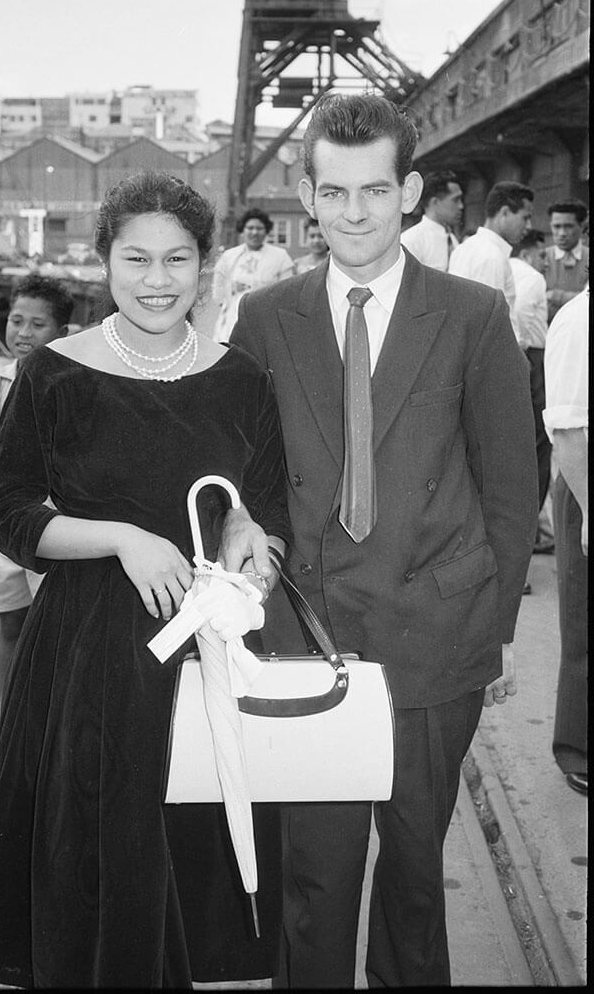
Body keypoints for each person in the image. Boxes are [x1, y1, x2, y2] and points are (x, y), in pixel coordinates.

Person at [221, 93, 538, 989]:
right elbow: (246, 473)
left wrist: (492, 629)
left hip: (435, 641)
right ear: (309, 197)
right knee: (315, 883)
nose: (353, 213)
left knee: (411, 882)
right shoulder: (264, 317)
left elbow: (511, 489)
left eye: (373, 191)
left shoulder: (473, 316)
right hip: (308, 637)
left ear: (410, 192)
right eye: (333, 192)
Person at [0, 171, 292, 988]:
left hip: (203, 658)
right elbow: (7, 513)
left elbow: (255, 511)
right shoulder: (52, 373)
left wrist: (252, 536)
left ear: (205, 265)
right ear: (105, 261)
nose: (158, 281)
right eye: (137, 258)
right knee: (101, 867)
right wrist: (121, 538)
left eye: (177, 260)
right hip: (87, 659)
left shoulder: (241, 379)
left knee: (188, 866)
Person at [0, 274, 73, 768]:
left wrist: (8, 439)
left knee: (60, 625)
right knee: (11, 624)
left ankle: (55, 726)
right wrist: (26, 442)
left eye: (38, 324)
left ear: (62, 331)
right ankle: (6, 722)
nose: (23, 332)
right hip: (4, 527)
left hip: (61, 524)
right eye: (16, 320)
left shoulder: (72, 379)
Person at [543, 286, 588, 797]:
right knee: (582, 624)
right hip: (584, 481)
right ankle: (577, 749)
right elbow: (571, 429)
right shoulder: (579, 320)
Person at [509, 230, 554, 554]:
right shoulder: (532, 276)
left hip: (530, 356)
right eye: (541, 255)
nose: (545, 262)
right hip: (532, 357)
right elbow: (521, 313)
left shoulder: (510, 267)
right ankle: (532, 529)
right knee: (539, 444)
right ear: (528, 254)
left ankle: (533, 528)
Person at [448, 179, 533, 348]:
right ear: (505, 212)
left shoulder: (466, 248)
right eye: (525, 218)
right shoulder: (491, 257)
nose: (529, 226)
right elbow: (487, 324)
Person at [211, 206, 294, 341]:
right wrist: (224, 303)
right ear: (242, 230)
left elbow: (288, 289)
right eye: (250, 228)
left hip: (266, 317)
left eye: (259, 228)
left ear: (266, 230)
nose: (254, 232)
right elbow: (218, 284)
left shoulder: (280, 256)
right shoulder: (229, 256)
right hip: (233, 315)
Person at [400, 169, 464, 271]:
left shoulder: (452, 239)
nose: (461, 206)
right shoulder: (411, 241)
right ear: (435, 202)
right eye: (455, 200)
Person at [544, 199, 589, 322]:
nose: (562, 233)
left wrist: (555, 296)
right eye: (556, 226)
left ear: (582, 227)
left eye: (568, 226)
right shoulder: (541, 257)